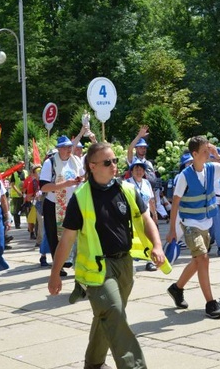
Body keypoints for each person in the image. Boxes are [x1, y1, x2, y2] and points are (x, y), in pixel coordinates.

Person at [48, 142, 165, 369]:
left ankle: (93, 364)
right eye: (107, 162)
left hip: (124, 265)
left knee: (109, 316)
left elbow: (145, 218)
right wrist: (55, 274)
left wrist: (157, 246)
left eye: (115, 161)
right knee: (114, 314)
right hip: (97, 270)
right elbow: (67, 240)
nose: (114, 166)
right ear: (92, 166)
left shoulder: (126, 190)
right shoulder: (80, 198)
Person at [166, 136, 220, 319]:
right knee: (203, 258)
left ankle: (177, 289)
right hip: (190, 224)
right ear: (194, 154)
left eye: (209, 150)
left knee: (197, 261)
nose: (208, 154)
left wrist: (219, 155)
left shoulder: (211, 168)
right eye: (205, 151)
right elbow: (175, 203)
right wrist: (172, 230)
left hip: (206, 223)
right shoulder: (184, 176)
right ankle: (210, 303)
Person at [39, 135, 85, 275]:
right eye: (65, 147)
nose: (68, 150)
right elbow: (44, 187)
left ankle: (74, 261)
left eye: (70, 147)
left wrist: (79, 180)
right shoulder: (50, 163)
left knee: (74, 233)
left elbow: (83, 176)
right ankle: (58, 265)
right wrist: (66, 184)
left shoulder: (76, 160)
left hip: (73, 203)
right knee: (55, 236)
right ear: (58, 149)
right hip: (54, 204)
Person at [126, 160, 158, 272]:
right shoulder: (127, 183)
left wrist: (154, 214)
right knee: (131, 242)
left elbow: (151, 200)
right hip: (132, 218)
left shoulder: (147, 183)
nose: (139, 171)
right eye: (136, 169)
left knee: (149, 239)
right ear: (132, 171)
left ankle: (150, 261)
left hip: (146, 216)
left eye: (141, 169)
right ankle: (130, 265)